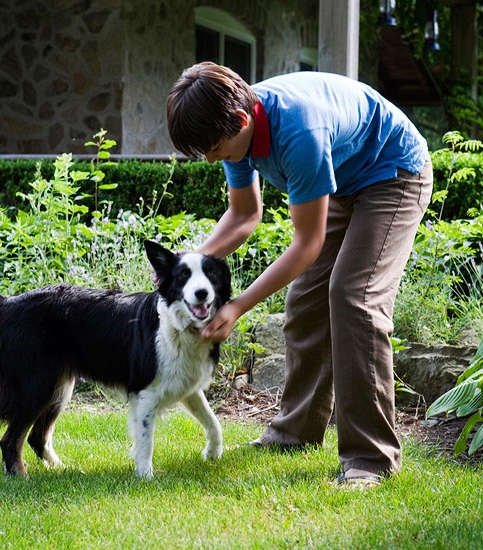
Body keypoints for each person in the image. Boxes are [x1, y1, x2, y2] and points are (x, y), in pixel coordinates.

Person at [166, 61, 432, 489]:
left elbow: (306, 245)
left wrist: (236, 306)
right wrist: (185, 268)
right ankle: (293, 433)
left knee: (354, 297)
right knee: (305, 303)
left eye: (215, 148)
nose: (214, 158)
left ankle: (370, 457)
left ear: (240, 120)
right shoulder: (238, 126)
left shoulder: (297, 129)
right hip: (344, 184)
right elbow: (242, 215)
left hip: (394, 174)